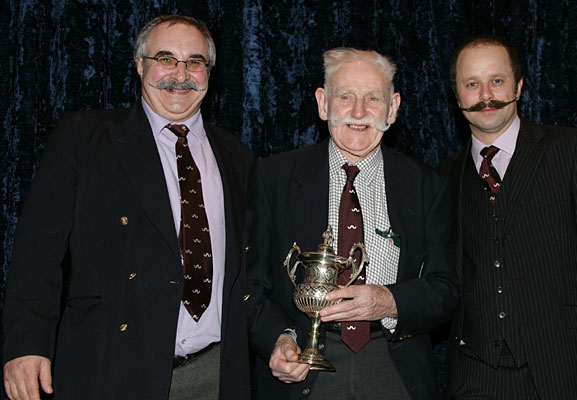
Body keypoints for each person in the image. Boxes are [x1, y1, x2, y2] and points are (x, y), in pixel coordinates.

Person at [3, 15, 252, 400]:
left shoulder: (236, 156)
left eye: (195, 62)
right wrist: (25, 344)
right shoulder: (85, 138)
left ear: (209, 72)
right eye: (165, 59)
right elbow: (37, 254)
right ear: (140, 65)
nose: (180, 74)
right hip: (112, 366)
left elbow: (250, 272)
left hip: (215, 374)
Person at [244, 47, 459, 399]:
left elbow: (445, 288)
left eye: (373, 98)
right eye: (345, 96)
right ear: (323, 102)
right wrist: (277, 338)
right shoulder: (274, 177)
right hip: (301, 367)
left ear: (393, 108)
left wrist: (389, 301)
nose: (359, 112)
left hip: (393, 366)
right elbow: (249, 282)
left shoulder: (427, 185)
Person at [439, 34, 577, 399]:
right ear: (457, 95)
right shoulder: (443, 178)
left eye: (497, 80)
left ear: (519, 85)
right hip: (475, 377)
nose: (486, 94)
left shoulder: (571, 150)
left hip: (568, 370)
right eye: (472, 84)